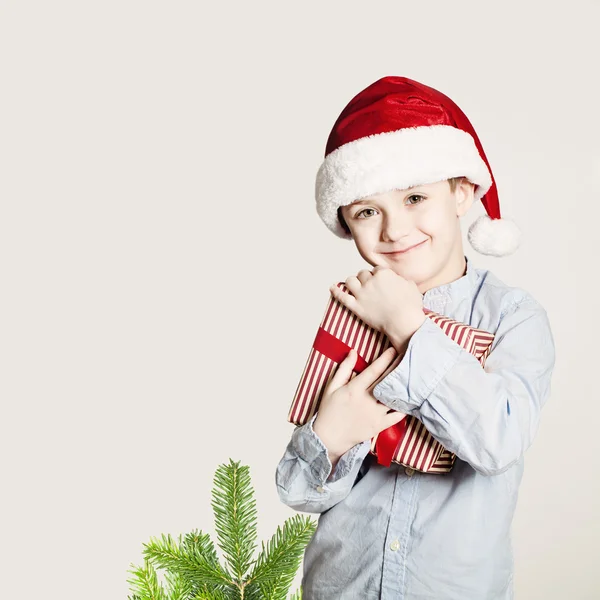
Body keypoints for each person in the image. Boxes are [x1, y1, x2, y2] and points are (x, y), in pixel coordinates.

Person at [274, 76, 556, 600]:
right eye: (366, 211)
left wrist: (408, 327)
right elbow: (295, 489)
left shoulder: (514, 317)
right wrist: (332, 435)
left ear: (462, 193)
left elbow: (498, 441)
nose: (394, 229)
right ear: (345, 223)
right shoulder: (347, 312)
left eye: (414, 197)